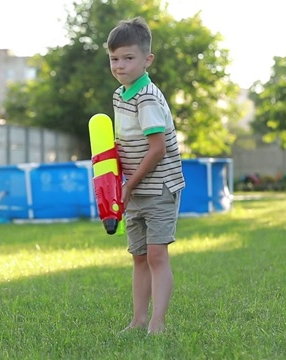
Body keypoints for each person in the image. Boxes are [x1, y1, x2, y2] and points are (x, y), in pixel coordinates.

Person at [107, 17, 186, 335]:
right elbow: (124, 141)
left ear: (147, 59)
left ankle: (158, 323)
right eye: (114, 59)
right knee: (138, 256)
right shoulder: (120, 95)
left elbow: (157, 151)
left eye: (128, 58)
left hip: (159, 187)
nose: (120, 65)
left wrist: (130, 184)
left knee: (156, 255)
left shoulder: (148, 98)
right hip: (134, 188)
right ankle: (138, 320)